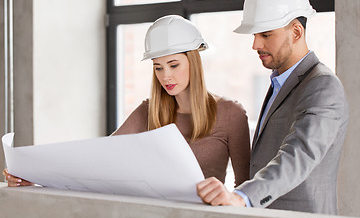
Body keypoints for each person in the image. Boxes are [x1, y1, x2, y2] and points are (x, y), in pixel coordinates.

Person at [3, 15, 251, 190]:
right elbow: (99, 159)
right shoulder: (149, 110)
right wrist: (34, 177)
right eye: (158, 67)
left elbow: (245, 188)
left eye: (174, 65)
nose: (166, 76)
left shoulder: (231, 113)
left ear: (193, 62)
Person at [197, 0, 349, 215]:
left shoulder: (322, 85)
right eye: (256, 35)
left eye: (266, 35)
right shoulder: (280, 81)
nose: (256, 44)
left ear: (296, 32)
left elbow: (299, 153)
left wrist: (242, 197)